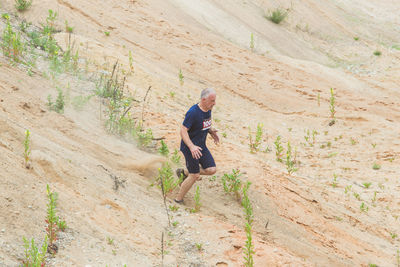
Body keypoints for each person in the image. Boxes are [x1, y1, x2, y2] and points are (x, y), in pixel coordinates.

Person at [174, 88, 219, 203]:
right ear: (204, 99)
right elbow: (183, 130)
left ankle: (184, 172)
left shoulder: (208, 109)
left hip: (201, 145)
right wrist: (191, 147)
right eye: (212, 101)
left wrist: (210, 131)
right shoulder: (193, 112)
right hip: (190, 147)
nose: (214, 103)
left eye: (214, 101)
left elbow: (202, 124)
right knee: (194, 175)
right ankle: (178, 200)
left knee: (211, 169)